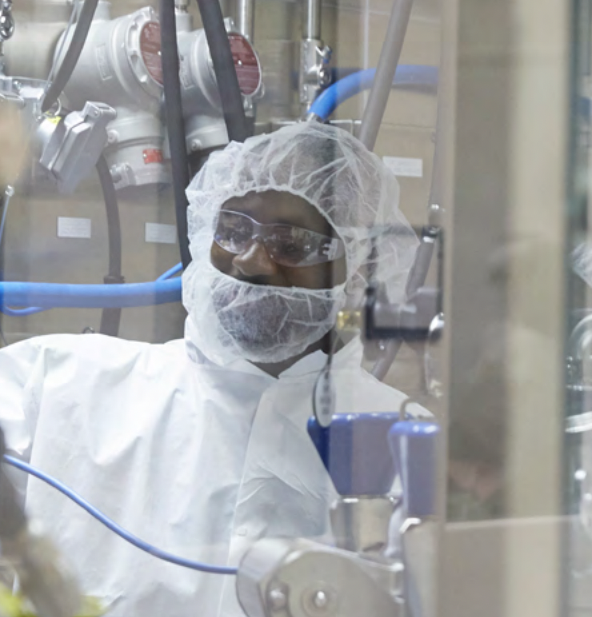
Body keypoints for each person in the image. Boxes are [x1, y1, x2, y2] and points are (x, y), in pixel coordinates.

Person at [0, 122, 430, 616]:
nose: (251, 260)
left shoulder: (404, 442)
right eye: (234, 230)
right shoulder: (58, 383)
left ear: (358, 269)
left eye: (292, 243)